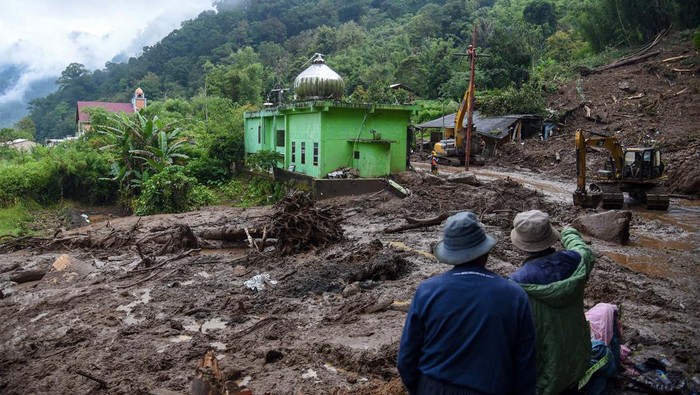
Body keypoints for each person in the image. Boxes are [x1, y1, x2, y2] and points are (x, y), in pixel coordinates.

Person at [398, 211, 536, 395]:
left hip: (433, 387)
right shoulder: (514, 295)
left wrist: (421, 388)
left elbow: (406, 357)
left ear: (450, 254)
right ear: (486, 251)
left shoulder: (427, 291)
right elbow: (525, 363)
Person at [509, 210, 595, 395]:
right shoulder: (577, 261)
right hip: (578, 361)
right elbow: (584, 250)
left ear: (521, 246)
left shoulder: (515, 284)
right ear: (551, 236)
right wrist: (569, 232)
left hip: (543, 374)